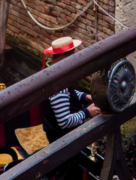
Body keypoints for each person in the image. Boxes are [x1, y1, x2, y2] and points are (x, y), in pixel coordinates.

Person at [40, 36, 100, 180]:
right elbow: (64, 122)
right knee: (67, 174)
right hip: (62, 139)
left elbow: (68, 94)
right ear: (65, 57)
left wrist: (85, 97)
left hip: (60, 136)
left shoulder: (53, 70)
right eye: (73, 55)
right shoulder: (57, 84)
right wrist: (87, 112)